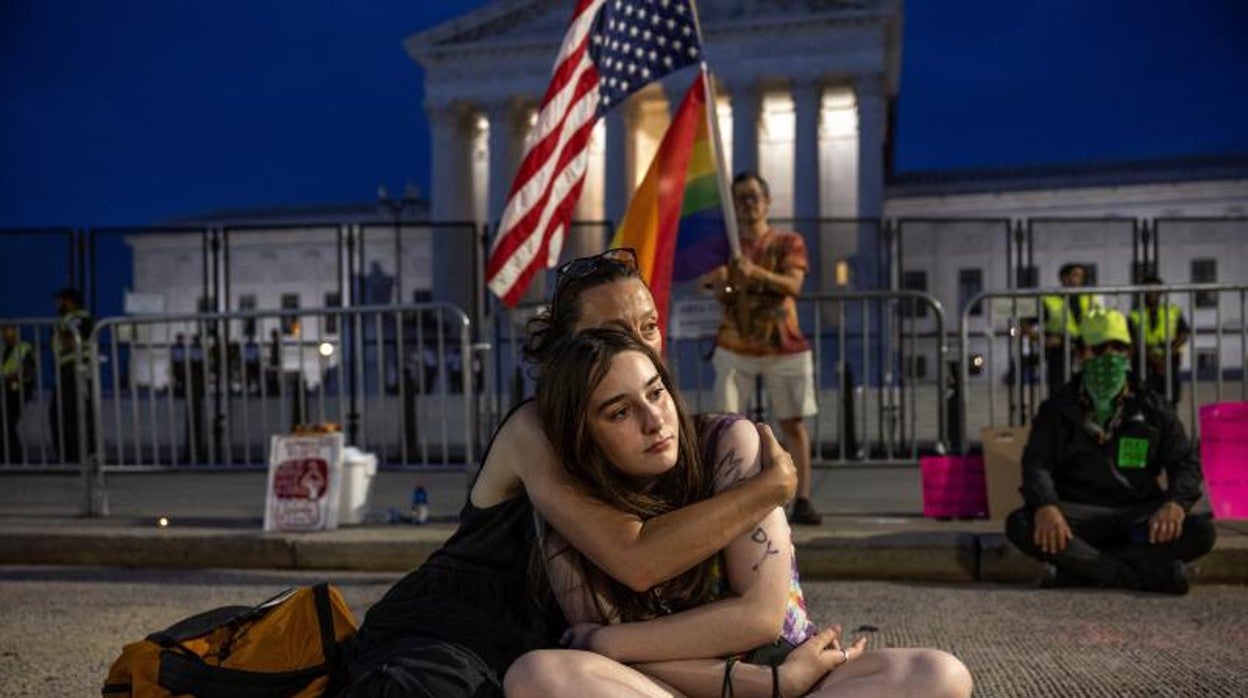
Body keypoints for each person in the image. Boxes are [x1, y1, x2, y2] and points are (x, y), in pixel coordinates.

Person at [339, 248, 799, 697]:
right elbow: (636, 558)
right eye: (612, 333)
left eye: (649, 326)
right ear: (565, 350)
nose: (637, 346)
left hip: (544, 655)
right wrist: (768, 488)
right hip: (450, 641)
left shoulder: (656, 431)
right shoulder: (537, 429)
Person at [506, 328, 973, 697]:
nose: (654, 421)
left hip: (789, 666)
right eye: (619, 413)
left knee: (938, 674)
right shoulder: (572, 531)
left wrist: (612, 642)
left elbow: (759, 619)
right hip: (677, 688)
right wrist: (770, 687)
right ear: (583, 436)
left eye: (655, 393)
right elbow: (620, 670)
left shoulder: (727, 447)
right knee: (538, 675)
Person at [1005, 309, 1216, 595]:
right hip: (1078, 516)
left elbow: (1185, 462)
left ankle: (1084, 570)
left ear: (1129, 353)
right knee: (1021, 524)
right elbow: (1037, 463)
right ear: (1081, 354)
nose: (1110, 356)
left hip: (1139, 514)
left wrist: (1176, 503)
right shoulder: (1058, 408)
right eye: (1099, 348)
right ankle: (1137, 573)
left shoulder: (1152, 406)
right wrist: (1046, 506)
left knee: (1202, 532)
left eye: (1118, 347)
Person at [700, 172, 821, 525]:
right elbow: (714, 290)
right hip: (735, 345)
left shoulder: (787, 241)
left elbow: (793, 285)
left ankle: (803, 498)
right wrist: (723, 282)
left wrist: (753, 273)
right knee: (727, 422)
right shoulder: (727, 249)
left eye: (754, 196)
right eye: (741, 198)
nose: (748, 204)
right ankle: (732, 496)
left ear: (767, 201)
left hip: (783, 345)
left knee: (792, 423)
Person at [1038, 263, 1099, 397]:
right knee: (1059, 392)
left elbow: (1099, 324)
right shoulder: (1048, 300)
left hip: (1085, 351)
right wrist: (1042, 340)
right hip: (1059, 352)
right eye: (1074, 275)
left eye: (1080, 277)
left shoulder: (1089, 298)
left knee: (1085, 392)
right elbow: (1023, 326)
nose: (1077, 280)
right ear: (1063, 278)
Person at [1128, 275, 1189, 406]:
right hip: (1145, 363)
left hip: (1169, 361)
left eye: (1155, 289)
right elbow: (1135, 341)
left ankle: (1168, 424)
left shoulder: (1173, 311)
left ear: (1161, 292)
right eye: (1147, 290)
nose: (1151, 293)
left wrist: (1166, 357)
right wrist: (1155, 360)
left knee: (1170, 400)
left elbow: (1183, 334)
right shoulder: (1134, 315)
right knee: (1145, 401)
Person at [50, 287, 95, 463]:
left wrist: (59, 333)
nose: (58, 304)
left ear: (69, 301)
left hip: (75, 369)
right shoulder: (67, 319)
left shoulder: (79, 317)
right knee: (63, 413)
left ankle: (76, 457)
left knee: (72, 414)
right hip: (68, 369)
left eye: (60, 300)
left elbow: (72, 340)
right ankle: (70, 457)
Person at [1, 323, 36, 463]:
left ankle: (14, 458)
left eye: (8, 330)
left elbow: (27, 371)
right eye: (3, 331)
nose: (5, 334)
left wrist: (12, 377)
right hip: (4, 390)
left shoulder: (25, 348)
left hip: (18, 390)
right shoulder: (3, 349)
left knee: (7, 422)